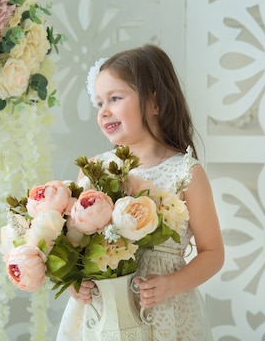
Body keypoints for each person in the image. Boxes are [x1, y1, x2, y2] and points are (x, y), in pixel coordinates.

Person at [56, 44, 225, 341]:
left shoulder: (186, 173)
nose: (104, 110)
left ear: (153, 103)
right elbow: (72, 241)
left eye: (115, 98)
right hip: (100, 312)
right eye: (99, 103)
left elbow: (213, 253)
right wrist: (72, 279)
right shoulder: (94, 170)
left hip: (162, 312)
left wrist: (172, 284)